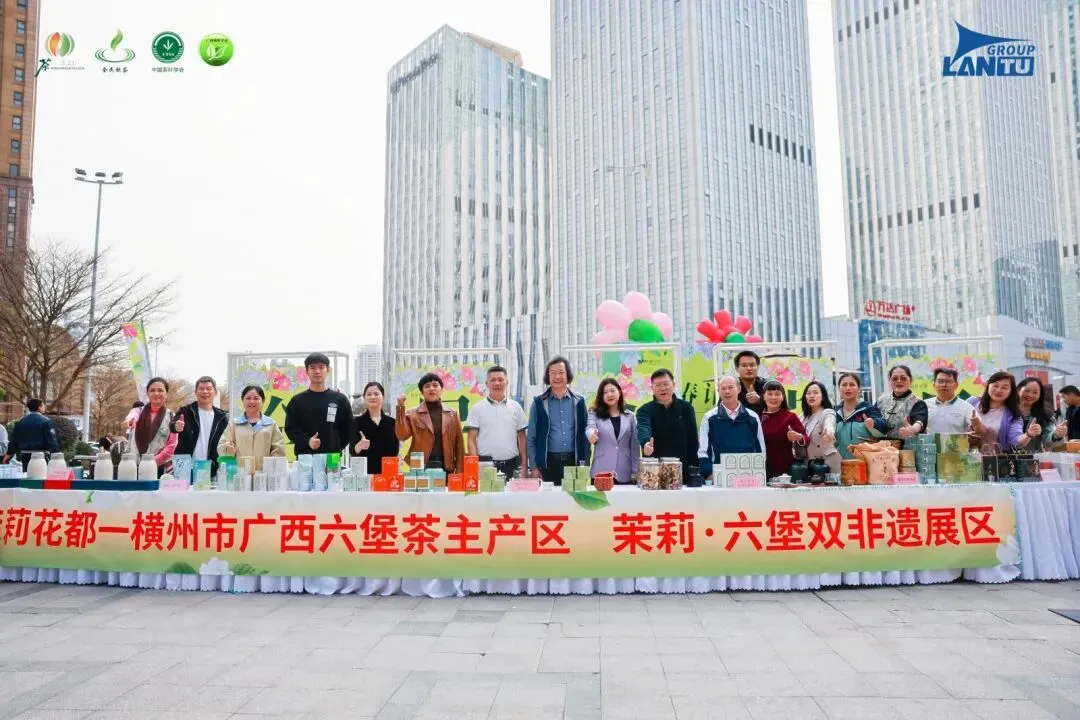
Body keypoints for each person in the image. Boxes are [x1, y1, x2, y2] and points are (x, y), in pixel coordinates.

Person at [527, 356, 589, 485]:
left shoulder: (579, 402)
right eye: (553, 373)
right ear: (548, 376)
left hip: (574, 463)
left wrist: (585, 464)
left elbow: (585, 438)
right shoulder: (538, 403)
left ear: (568, 374)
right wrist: (533, 467)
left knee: (574, 497)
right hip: (547, 464)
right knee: (549, 498)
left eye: (561, 372)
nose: (557, 376)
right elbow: (531, 438)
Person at [698, 375, 766, 481]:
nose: (727, 391)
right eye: (723, 388)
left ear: (739, 389)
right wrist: (709, 473)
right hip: (718, 476)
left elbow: (760, 449)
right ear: (718, 391)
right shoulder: (709, 417)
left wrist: (758, 473)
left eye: (730, 387)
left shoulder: (752, 417)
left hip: (747, 477)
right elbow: (703, 451)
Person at [464, 366, 528, 478]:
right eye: (493, 380)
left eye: (500, 379)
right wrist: (475, 466)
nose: (497, 383)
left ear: (507, 382)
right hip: (485, 466)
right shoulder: (477, 408)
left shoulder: (516, 407)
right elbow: (471, 439)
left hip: (512, 465)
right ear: (487, 383)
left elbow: (522, 438)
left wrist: (524, 465)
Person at [284, 352, 353, 456]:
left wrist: (335, 445)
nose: (317, 371)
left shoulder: (340, 399)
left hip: (332, 457)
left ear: (327, 370)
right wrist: (307, 441)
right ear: (307, 371)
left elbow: (348, 428)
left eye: (321, 367)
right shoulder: (297, 401)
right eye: (312, 368)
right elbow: (291, 429)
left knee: (332, 468)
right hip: (305, 457)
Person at [395, 372, 465, 473]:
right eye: (427, 386)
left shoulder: (452, 414)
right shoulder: (413, 414)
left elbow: (459, 445)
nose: (432, 388)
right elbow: (402, 436)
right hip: (420, 468)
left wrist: (459, 472)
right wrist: (400, 408)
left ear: (441, 389)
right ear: (422, 392)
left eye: (435, 385)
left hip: (446, 467)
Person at [636, 368, 698, 481]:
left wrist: (694, 469)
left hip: (682, 471)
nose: (662, 388)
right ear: (652, 388)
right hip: (654, 473)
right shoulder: (644, 410)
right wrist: (645, 443)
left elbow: (693, 440)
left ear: (673, 385)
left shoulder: (686, 408)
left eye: (666, 384)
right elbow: (643, 427)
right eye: (658, 385)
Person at [217, 385, 286, 471]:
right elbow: (221, 447)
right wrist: (227, 448)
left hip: (264, 474)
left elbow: (279, 450)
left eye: (256, 398)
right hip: (239, 473)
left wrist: (270, 470)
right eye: (248, 398)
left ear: (263, 401)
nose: (252, 401)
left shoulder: (271, 424)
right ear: (243, 401)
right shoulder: (234, 424)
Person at [171, 376, 229, 476]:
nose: (205, 392)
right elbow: (173, 425)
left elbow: (224, 441)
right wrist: (176, 426)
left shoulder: (221, 417)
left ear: (215, 392)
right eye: (201, 389)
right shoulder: (186, 411)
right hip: (184, 466)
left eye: (208, 388)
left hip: (210, 467)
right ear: (195, 392)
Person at [586, 378, 640, 484]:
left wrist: (636, 471)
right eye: (605, 392)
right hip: (601, 472)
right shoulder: (594, 414)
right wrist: (591, 435)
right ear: (601, 396)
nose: (609, 395)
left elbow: (635, 447)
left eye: (612, 390)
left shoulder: (630, 416)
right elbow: (589, 428)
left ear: (619, 392)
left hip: (625, 473)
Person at [759, 380, 807, 479]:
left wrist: (799, 437)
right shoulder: (756, 417)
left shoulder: (790, 417)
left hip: (784, 471)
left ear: (783, 397)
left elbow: (806, 438)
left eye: (777, 394)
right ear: (763, 396)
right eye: (769, 394)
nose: (773, 397)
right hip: (760, 468)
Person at [834, 373, 888, 459]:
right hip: (840, 463)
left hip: (865, 462)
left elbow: (883, 429)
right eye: (844, 385)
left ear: (859, 389)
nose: (848, 388)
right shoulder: (834, 412)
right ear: (839, 389)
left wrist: (874, 423)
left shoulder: (868, 409)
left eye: (852, 384)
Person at [968, 371, 1024, 453]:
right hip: (967, 456)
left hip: (995, 458)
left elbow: (1015, 440)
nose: (999, 390)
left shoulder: (1013, 414)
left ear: (1011, 391)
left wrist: (1028, 435)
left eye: (1004, 388)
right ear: (988, 385)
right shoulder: (972, 402)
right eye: (995, 385)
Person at [132, 378, 177, 475]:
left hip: (159, 468)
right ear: (147, 393)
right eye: (152, 390)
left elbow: (171, 446)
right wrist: (130, 420)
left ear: (166, 394)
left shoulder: (171, 416)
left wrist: (151, 463)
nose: (156, 393)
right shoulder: (138, 411)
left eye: (160, 390)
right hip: (133, 467)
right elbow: (132, 416)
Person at [352, 381, 400, 472]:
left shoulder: (392, 422)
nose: (372, 397)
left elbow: (395, 451)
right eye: (369, 394)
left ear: (383, 397)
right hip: (365, 474)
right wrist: (359, 446)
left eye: (376, 394)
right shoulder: (357, 422)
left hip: (388, 473)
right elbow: (352, 451)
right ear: (364, 398)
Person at [3, 399, 61, 470]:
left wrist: (9, 454)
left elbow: (14, 441)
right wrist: (57, 455)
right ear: (39, 407)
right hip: (42, 457)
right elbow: (52, 441)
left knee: (26, 475)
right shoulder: (46, 422)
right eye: (43, 405)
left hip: (24, 457)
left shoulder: (21, 422)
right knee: (40, 475)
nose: (45, 407)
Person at [875, 365, 928, 441]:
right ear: (889, 381)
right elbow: (873, 417)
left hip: (907, 447)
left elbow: (919, 421)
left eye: (903, 378)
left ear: (911, 381)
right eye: (895, 378)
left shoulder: (918, 402)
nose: (899, 381)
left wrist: (913, 429)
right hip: (882, 446)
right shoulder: (881, 400)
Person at [1014, 378, 1066, 453]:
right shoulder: (1006, 411)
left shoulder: (1044, 416)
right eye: (1027, 390)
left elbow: (1048, 443)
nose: (1030, 395)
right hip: (1005, 457)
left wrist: (1056, 435)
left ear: (1040, 395)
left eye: (1035, 392)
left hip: (1033, 458)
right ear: (1018, 389)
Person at [800, 380, 840, 474]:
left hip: (828, 463)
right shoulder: (802, 417)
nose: (811, 396)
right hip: (808, 464)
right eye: (808, 393)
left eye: (815, 393)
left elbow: (829, 422)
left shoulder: (827, 412)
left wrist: (829, 432)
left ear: (823, 397)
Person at [925, 368, 972, 435]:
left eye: (948, 381)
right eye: (940, 381)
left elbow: (975, 427)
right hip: (930, 442)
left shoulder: (966, 407)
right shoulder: (924, 405)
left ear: (956, 385)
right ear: (934, 385)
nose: (944, 385)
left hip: (955, 442)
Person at [734, 350, 766, 415]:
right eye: (744, 365)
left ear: (758, 367)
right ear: (737, 368)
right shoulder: (731, 387)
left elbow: (781, 407)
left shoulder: (767, 386)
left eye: (752, 365)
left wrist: (760, 400)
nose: (749, 368)